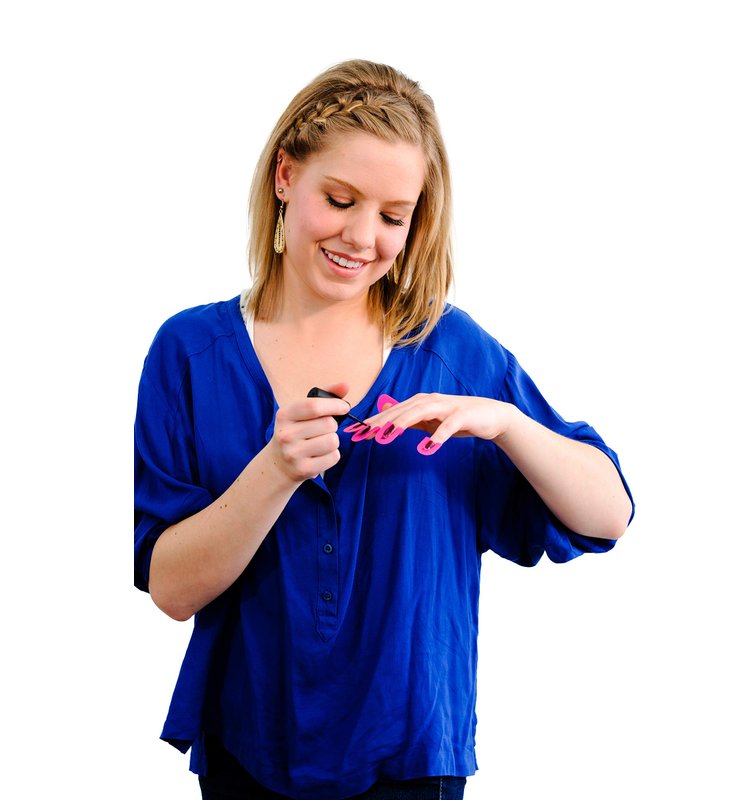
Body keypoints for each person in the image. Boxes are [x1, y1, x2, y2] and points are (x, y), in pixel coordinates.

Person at [134, 59, 634, 800]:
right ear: (285, 176)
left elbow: (610, 513)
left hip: (412, 759)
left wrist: (505, 422)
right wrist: (275, 470)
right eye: (340, 200)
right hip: (248, 751)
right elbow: (171, 589)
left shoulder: (453, 353)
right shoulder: (189, 353)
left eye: (394, 216)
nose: (362, 236)